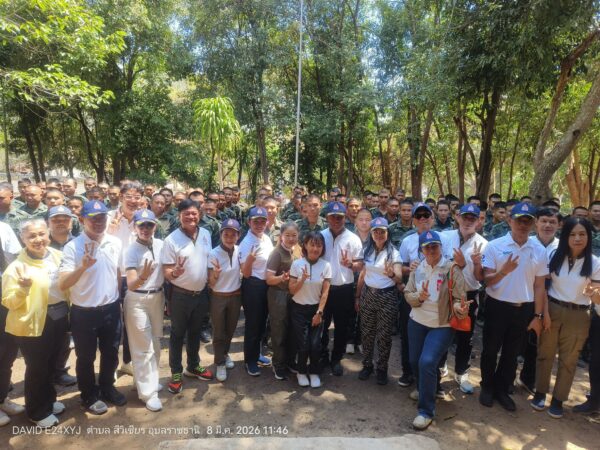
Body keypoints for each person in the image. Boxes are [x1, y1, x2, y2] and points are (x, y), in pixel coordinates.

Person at [477, 202, 548, 412]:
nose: (523, 225)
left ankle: (501, 389)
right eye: (519, 220)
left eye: (528, 221)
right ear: (510, 221)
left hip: (524, 309)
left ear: (533, 224)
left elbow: (539, 286)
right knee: (490, 350)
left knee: (511, 353)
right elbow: (487, 280)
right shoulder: (495, 246)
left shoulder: (539, 250)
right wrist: (504, 271)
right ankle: (487, 386)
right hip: (497, 306)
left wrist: (538, 315)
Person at [58, 200, 125, 415]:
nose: (98, 222)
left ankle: (107, 387)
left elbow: (117, 273)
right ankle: (88, 395)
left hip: (111, 309)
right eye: (93, 219)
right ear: (82, 220)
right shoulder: (73, 247)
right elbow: (63, 283)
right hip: (84, 313)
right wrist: (82, 267)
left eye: (102, 217)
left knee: (111, 352)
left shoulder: (115, 242)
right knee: (86, 357)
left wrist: (117, 300)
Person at [530, 217, 600, 418]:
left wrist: (594, 294)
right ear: (565, 236)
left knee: (569, 359)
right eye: (572, 234)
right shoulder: (554, 255)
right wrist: (544, 314)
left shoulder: (595, 263)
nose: (577, 238)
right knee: (545, 353)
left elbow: (597, 298)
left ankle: (558, 400)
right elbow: (544, 287)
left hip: (579, 315)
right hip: (552, 308)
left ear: (588, 236)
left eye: (582, 234)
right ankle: (540, 393)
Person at [2, 219, 68, 428]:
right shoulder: (16, 268)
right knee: (37, 368)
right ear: (23, 239)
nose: (38, 239)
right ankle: (37, 412)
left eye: (41, 234)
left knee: (52, 364)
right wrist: (23, 288)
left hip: (59, 316)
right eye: (31, 236)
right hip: (33, 323)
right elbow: (9, 302)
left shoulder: (58, 256)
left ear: (48, 234)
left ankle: (48, 401)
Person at [404, 230, 468, 430]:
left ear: (441, 247)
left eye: (435, 246)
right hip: (417, 321)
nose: (431, 250)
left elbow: (459, 298)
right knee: (414, 361)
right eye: (427, 247)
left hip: (442, 324)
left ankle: (426, 411)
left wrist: (459, 308)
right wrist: (419, 297)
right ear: (421, 250)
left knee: (427, 361)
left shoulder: (451, 269)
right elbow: (408, 292)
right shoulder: (417, 268)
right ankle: (425, 388)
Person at [162, 199, 214, 394]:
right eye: (186, 214)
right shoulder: (171, 240)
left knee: (195, 332)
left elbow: (208, 261)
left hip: (201, 294)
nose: (191, 217)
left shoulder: (206, 234)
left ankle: (193, 366)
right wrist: (174, 272)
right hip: (180, 296)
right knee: (177, 334)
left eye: (194, 213)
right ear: (179, 216)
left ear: (199, 214)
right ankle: (176, 372)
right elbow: (166, 271)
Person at [441, 204, 488, 394]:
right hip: (445, 293)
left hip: (468, 295)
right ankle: (441, 365)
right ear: (458, 217)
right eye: (465, 217)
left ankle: (461, 372)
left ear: (478, 221)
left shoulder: (484, 244)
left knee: (465, 336)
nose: (468, 221)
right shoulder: (444, 236)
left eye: (472, 218)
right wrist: (457, 265)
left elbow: (480, 277)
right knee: (442, 331)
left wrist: (475, 264)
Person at [123, 210, 165, 412]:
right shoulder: (131, 250)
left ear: (155, 226)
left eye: (149, 225)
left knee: (155, 343)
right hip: (137, 299)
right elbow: (131, 284)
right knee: (143, 347)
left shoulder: (161, 245)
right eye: (141, 225)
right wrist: (143, 276)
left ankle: (146, 381)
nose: (146, 229)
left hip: (157, 297)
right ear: (135, 227)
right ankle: (148, 393)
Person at [355, 218, 402, 385]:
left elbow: (399, 278)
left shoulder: (393, 253)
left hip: (386, 296)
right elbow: (362, 274)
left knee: (384, 335)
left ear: (387, 233)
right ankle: (367, 365)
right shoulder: (366, 250)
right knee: (367, 333)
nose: (379, 234)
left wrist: (391, 274)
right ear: (371, 233)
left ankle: (382, 368)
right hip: (368, 294)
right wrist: (357, 296)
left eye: (382, 231)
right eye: (376, 231)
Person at [319, 201, 364, 376]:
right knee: (321, 325)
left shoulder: (353, 238)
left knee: (341, 327)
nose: (336, 220)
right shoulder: (320, 236)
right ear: (327, 218)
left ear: (345, 218)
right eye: (333, 217)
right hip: (323, 289)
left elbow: (360, 265)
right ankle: (322, 355)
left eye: (340, 217)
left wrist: (351, 264)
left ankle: (336, 359)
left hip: (344, 289)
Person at [289, 231, 331, 388]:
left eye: (319, 245)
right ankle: (301, 372)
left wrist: (319, 313)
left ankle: (314, 372)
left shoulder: (326, 266)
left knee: (315, 344)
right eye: (312, 244)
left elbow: (325, 292)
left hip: (316, 310)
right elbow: (292, 290)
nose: (315, 248)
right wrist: (302, 280)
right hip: (298, 310)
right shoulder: (297, 264)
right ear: (305, 246)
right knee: (303, 344)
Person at [239, 206, 274, 376]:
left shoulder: (266, 238)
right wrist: (250, 260)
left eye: (262, 221)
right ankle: (250, 361)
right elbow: (245, 273)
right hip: (253, 286)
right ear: (249, 222)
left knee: (262, 323)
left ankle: (257, 354)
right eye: (256, 221)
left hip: (266, 285)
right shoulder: (246, 243)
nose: (259, 224)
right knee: (253, 325)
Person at [208, 219, 243, 382]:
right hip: (218, 297)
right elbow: (211, 283)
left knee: (230, 330)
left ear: (238, 236)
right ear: (221, 235)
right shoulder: (213, 253)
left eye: (233, 235)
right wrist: (215, 274)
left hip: (235, 296)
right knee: (219, 332)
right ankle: (219, 363)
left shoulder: (239, 250)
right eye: (226, 234)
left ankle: (225, 353)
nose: (229, 238)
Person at [265, 221, 299, 380]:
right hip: (278, 295)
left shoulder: (297, 250)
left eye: (294, 235)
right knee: (279, 330)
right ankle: (278, 364)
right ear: (281, 236)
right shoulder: (277, 253)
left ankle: (290, 361)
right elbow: (269, 279)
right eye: (287, 235)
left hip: (294, 295)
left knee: (292, 330)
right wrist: (282, 278)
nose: (291, 238)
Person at [0, 219, 24, 426]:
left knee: (6, 353)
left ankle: (1, 399)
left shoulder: (3, 228)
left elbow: (14, 258)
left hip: (4, 296)